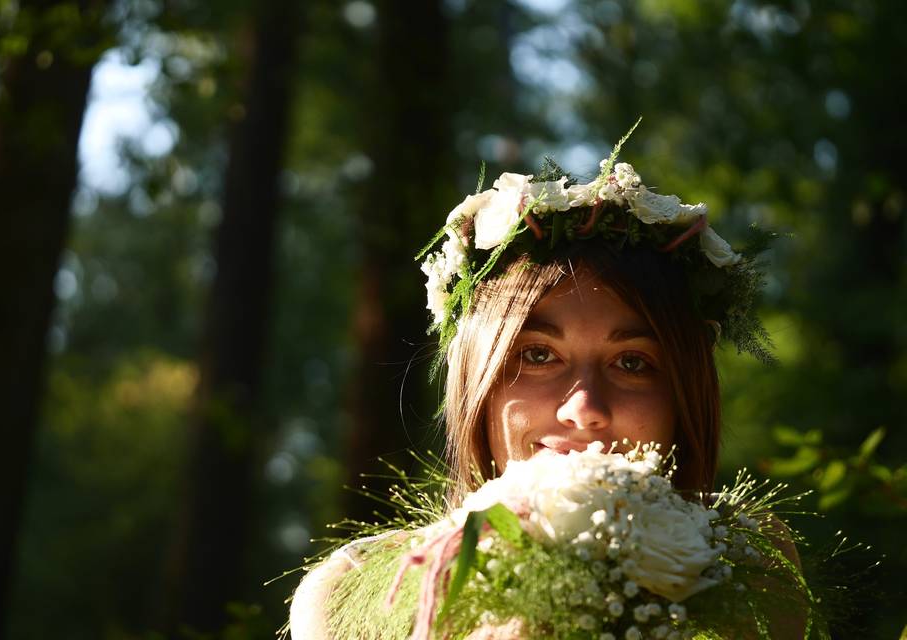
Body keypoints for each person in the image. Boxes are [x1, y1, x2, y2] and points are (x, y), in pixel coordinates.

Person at [288, 147, 803, 639]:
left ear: (685, 396)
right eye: (537, 355)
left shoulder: (751, 570)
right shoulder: (352, 592)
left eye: (632, 362)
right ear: (477, 382)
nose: (584, 409)